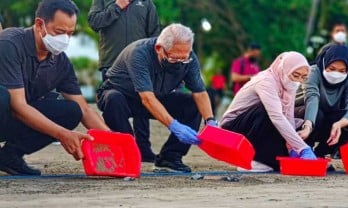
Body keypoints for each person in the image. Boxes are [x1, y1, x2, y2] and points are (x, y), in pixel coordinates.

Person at [0, 0, 110, 176]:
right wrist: (62, 134)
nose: (64, 39)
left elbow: (84, 109)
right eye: (59, 32)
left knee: (72, 111)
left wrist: (113, 140)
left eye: (70, 33)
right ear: (39, 24)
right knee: (2, 96)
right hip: (5, 110)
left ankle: (9, 156)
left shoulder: (60, 62)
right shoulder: (10, 43)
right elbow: (18, 106)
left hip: (15, 119)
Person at [96, 23, 216, 173]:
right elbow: (147, 98)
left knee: (191, 104)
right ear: (159, 49)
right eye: (173, 58)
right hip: (123, 96)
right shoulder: (139, 53)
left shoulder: (188, 57)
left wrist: (210, 121)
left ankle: (169, 157)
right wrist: (174, 125)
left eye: (183, 59)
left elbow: (199, 92)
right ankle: (126, 154)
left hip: (158, 96)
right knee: (113, 99)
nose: (179, 62)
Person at [88, 0, 161, 163]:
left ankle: (143, 148)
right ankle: (121, 146)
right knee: (113, 103)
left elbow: (155, 33)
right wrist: (116, 6)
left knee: (143, 101)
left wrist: (153, 61)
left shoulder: (147, 3)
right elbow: (94, 22)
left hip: (141, 63)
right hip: (111, 62)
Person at [220, 52, 316, 172]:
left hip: (261, 124)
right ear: (284, 69)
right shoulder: (266, 81)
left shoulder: (288, 85)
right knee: (270, 112)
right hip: (234, 128)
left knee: (299, 125)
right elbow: (276, 116)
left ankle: (270, 159)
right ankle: (254, 160)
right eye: (295, 75)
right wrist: (302, 148)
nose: (298, 80)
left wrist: (293, 147)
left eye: (303, 77)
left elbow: (289, 116)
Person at [295, 45, 348, 158]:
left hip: (328, 114)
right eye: (332, 68)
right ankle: (305, 149)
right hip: (303, 112)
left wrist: (340, 124)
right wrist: (307, 126)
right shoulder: (313, 71)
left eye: (342, 70)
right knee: (318, 114)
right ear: (325, 62)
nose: (336, 74)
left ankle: (319, 154)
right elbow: (312, 98)